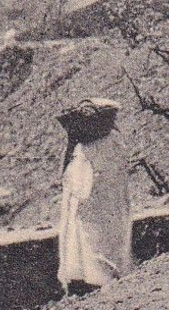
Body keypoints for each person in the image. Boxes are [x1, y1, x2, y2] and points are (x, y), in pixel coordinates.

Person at [56, 98, 134, 295]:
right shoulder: (114, 141)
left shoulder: (84, 151)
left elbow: (74, 185)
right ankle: (111, 276)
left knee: (93, 241)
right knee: (110, 238)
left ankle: (101, 279)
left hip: (95, 203)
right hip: (110, 201)